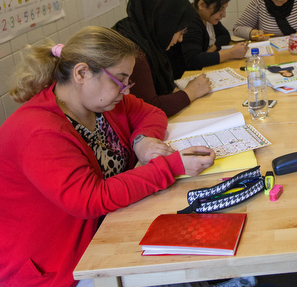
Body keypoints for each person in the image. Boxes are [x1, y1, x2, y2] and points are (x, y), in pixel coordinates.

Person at [0, 26, 215, 287]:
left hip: (106, 230)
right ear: (81, 73)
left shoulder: (101, 103)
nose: (125, 90)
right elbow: (91, 199)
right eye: (119, 80)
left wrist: (141, 140)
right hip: (61, 267)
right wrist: (172, 167)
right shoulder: (38, 131)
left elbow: (152, 114)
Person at [113, 0, 212, 117]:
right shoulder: (132, 51)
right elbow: (149, 107)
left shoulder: (142, 33)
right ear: (166, 24)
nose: (180, 39)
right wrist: (191, 92)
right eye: (180, 32)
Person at [168, 0, 248, 79]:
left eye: (225, 9)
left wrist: (211, 50)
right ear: (202, 5)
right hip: (183, 78)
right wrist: (230, 53)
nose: (224, 15)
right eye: (220, 9)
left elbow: (224, 35)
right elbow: (193, 60)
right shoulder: (191, 22)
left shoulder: (207, 18)